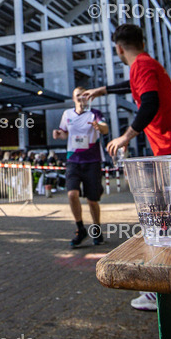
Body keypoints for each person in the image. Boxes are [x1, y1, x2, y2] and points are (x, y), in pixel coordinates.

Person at [81, 24, 171, 325]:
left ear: (119, 48)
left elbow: (149, 103)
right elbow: (135, 89)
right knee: (166, 225)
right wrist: (103, 90)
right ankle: (163, 289)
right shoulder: (142, 66)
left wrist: (126, 136)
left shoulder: (144, 65)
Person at [52, 86, 109, 248]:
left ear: (88, 97)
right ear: (73, 98)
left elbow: (105, 129)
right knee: (72, 194)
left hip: (92, 161)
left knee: (92, 201)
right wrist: (57, 134)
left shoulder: (95, 113)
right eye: (78, 95)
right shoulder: (67, 114)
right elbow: (64, 133)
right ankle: (80, 229)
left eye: (84, 95)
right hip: (73, 160)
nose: (81, 98)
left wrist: (99, 127)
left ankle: (97, 230)